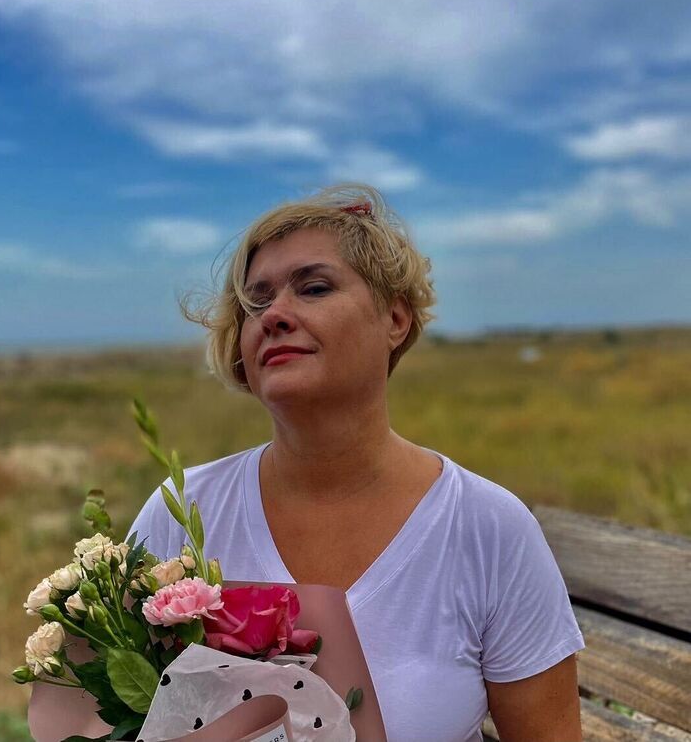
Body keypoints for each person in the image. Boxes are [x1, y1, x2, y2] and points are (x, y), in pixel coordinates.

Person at [129, 184, 584, 742]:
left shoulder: (489, 528)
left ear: (395, 317)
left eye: (314, 288)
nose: (274, 315)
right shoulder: (182, 511)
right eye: (256, 303)